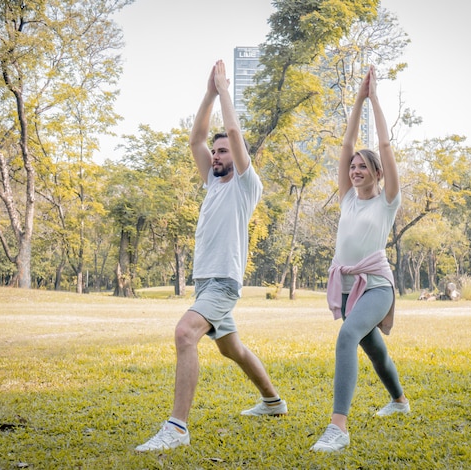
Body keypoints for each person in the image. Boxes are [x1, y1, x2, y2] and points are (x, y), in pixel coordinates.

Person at [135, 60, 287, 453]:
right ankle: (273, 401)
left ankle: (177, 428)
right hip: (206, 280)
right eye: (215, 152)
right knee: (230, 347)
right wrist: (207, 93)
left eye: (224, 151)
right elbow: (195, 139)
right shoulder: (213, 183)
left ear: (237, 156)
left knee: (185, 334)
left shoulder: (245, 185)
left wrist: (224, 92)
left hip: (223, 281)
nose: (216, 155)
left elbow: (233, 131)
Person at [310, 65, 409, 453]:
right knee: (374, 348)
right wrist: (356, 99)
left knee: (348, 336)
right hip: (349, 287)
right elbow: (347, 143)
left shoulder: (387, 201)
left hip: (377, 286)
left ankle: (338, 427)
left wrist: (376, 101)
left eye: (362, 166)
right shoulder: (347, 197)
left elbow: (384, 147)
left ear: (377, 174)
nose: (354, 169)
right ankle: (399, 401)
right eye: (352, 166)